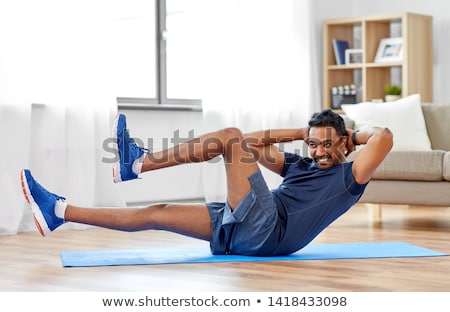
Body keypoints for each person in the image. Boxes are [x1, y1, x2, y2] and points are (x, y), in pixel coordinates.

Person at [20, 109, 393, 256]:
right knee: (156, 213)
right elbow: (247, 142)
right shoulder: (299, 166)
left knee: (228, 135)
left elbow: (385, 137)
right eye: (312, 144)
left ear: (344, 143)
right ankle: (58, 211)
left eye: (328, 144)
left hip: (269, 229)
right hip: (247, 229)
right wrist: (301, 131)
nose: (319, 151)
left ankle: (139, 164)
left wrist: (352, 134)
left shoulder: (349, 178)